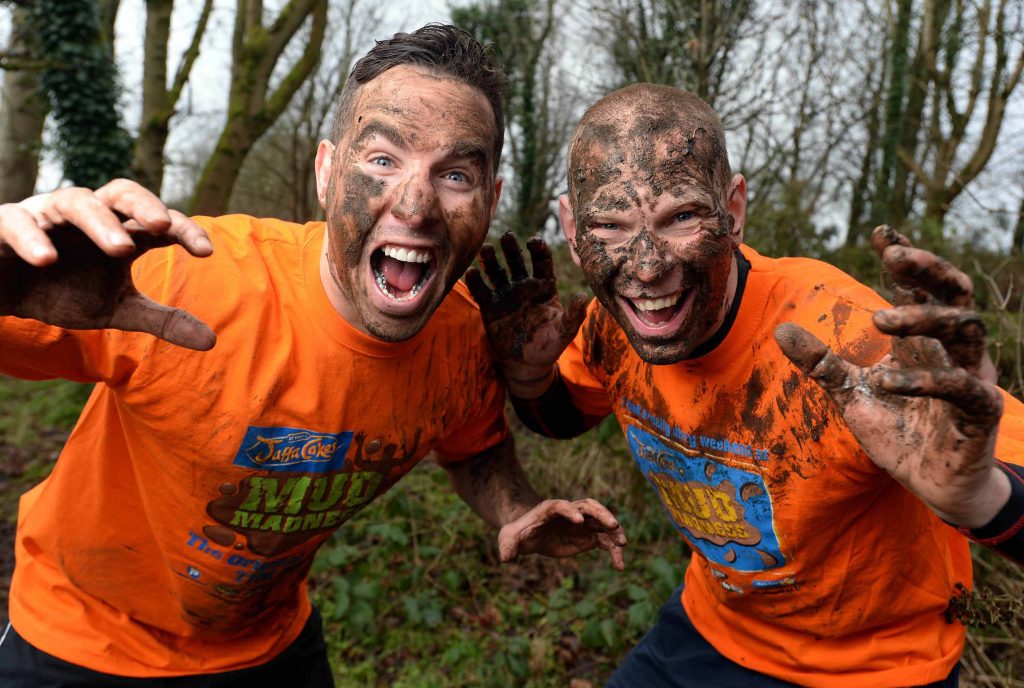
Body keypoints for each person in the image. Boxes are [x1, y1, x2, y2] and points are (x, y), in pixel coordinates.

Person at [0, 24, 627, 687]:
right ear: (328, 173)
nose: (415, 204)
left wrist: (517, 510)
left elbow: (471, 446)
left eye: (456, 173)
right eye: (382, 159)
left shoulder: (463, 339)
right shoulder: (182, 278)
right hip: (79, 640)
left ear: (490, 200)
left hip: (268, 647)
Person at [466, 83, 1024, 688]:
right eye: (611, 224)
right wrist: (528, 374)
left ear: (732, 210)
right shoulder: (612, 322)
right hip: (711, 633)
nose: (648, 266)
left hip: (877, 667)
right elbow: (566, 415)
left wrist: (979, 498)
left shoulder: (849, 340)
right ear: (573, 229)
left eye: (681, 216)